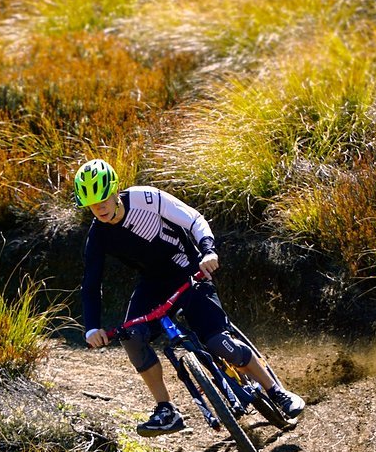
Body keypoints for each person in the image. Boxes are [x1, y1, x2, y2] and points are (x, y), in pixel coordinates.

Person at [75, 158, 305, 437]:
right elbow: (90, 283)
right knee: (131, 336)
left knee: (218, 341)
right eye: (91, 204)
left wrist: (208, 250)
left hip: (189, 272)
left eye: (102, 199)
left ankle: (277, 391)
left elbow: (193, 218)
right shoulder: (97, 235)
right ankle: (166, 410)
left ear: (114, 192)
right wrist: (91, 326)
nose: (98, 208)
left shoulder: (145, 198)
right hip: (153, 284)